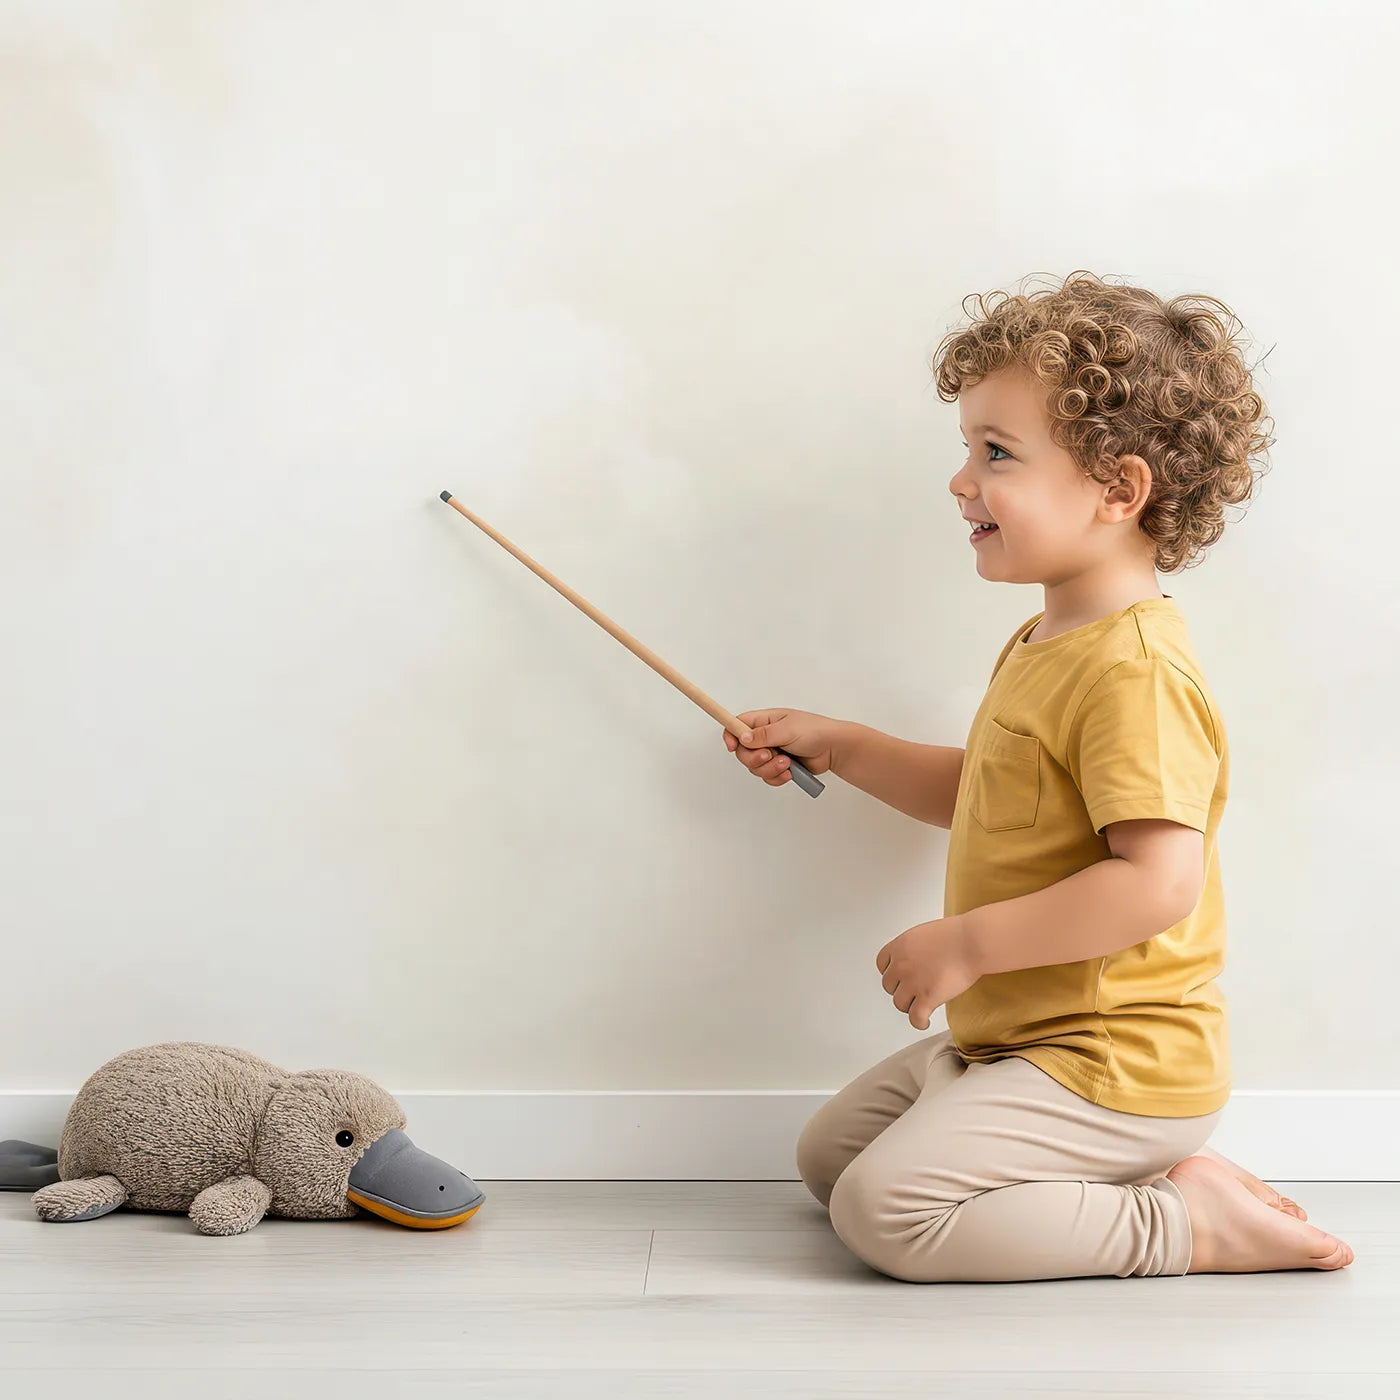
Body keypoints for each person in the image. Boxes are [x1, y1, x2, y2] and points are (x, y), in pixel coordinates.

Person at [723, 271, 1352, 1282]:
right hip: (1018, 1036)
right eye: (967, 448)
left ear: (1116, 489)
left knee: (886, 1214)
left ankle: (1186, 1223)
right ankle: (1122, 1172)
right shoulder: (1051, 634)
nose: (959, 480)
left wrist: (970, 940)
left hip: (1111, 1058)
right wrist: (840, 744)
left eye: (995, 454)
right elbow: (986, 790)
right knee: (826, 1159)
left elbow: (1158, 884)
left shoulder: (1133, 671)